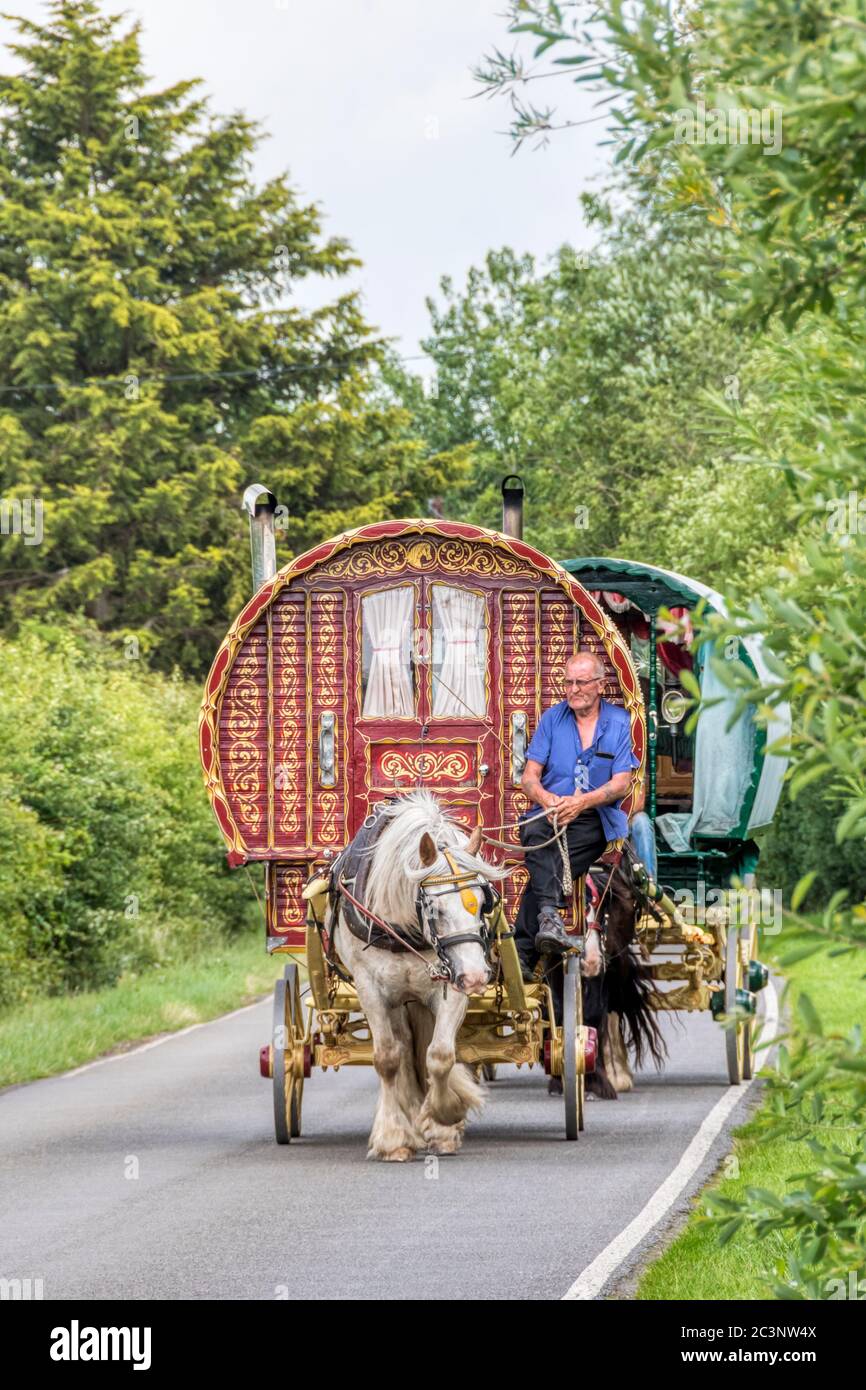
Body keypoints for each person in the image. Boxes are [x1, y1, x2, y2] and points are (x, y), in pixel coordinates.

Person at [514, 649, 639, 979]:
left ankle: (524, 949)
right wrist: (547, 799)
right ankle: (548, 920)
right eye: (568, 682)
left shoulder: (620, 723)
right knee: (532, 830)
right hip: (553, 812)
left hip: (596, 817)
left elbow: (622, 783)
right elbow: (529, 777)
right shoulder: (552, 719)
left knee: (549, 860)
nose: (573, 689)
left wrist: (581, 803)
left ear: (600, 684)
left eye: (581, 682)